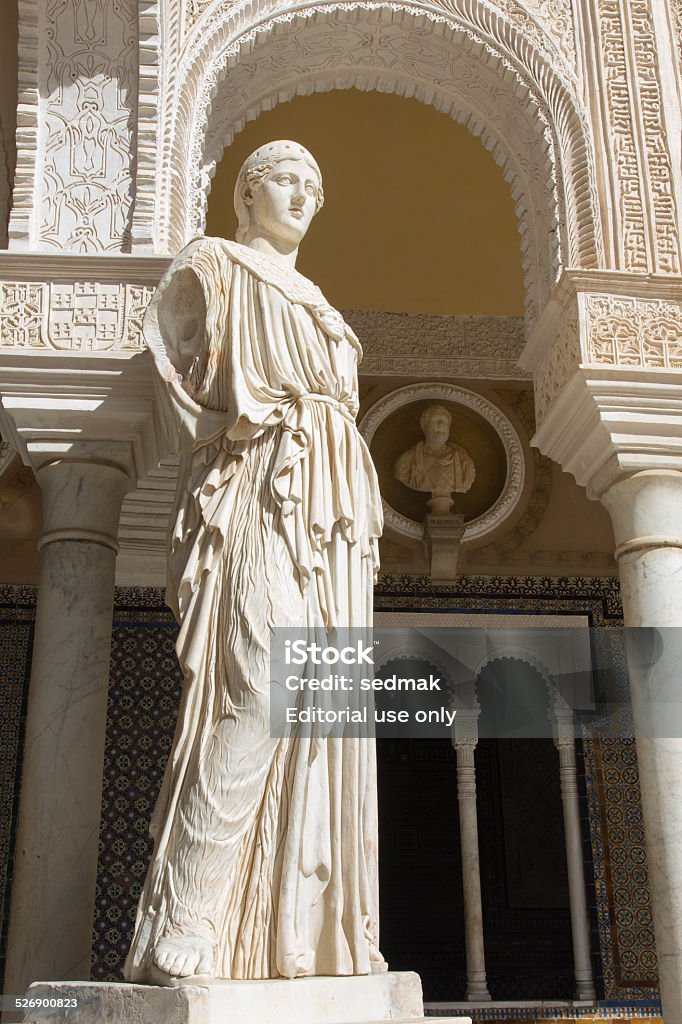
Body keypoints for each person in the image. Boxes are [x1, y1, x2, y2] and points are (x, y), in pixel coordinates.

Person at [124, 141, 385, 983]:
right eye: (284, 177)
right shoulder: (219, 263)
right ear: (245, 192)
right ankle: (191, 913)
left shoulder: (320, 302)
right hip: (260, 482)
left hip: (334, 513)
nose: (303, 193)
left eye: (315, 182)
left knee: (326, 711)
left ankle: (303, 932)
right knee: (260, 684)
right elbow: (181, 365)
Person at [394, 404, 475, 498]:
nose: (441, 425)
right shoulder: (407, 461)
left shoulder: (464, 462)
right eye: (436, 420)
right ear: (425, 427)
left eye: (444, 422)